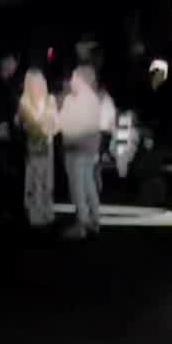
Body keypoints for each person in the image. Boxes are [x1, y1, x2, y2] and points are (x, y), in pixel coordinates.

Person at [58, 63, 116, 240]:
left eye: (74, 77)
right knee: (88, 183)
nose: (71, 81)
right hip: (89, 148)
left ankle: (82, 222)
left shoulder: (75, 100)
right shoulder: (93, 99)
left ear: (82, 80)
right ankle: (95, 219)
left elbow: (65, 122)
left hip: (76, 147)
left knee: (77, 186)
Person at [17, 68, 59, 228]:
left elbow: (56, 124)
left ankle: (47, 212)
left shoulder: (50, 100)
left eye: (39, 82)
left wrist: (49, 127)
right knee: (34, 180)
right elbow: (19, 123)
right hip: (32, 146)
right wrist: (28, 126)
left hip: (46, 145)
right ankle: (35, 214)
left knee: (46, 180)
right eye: (33, 83)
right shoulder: (24, 102)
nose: (37, 86)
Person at [0, 52, 23, 226]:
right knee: (3, 174)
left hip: (3, 135)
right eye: (13, 63)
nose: (15, 66)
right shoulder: (1, 87)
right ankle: (2, 211)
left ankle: (2, 210)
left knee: (3, 175)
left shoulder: (4, 85)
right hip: (2, 136)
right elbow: (2, 109)